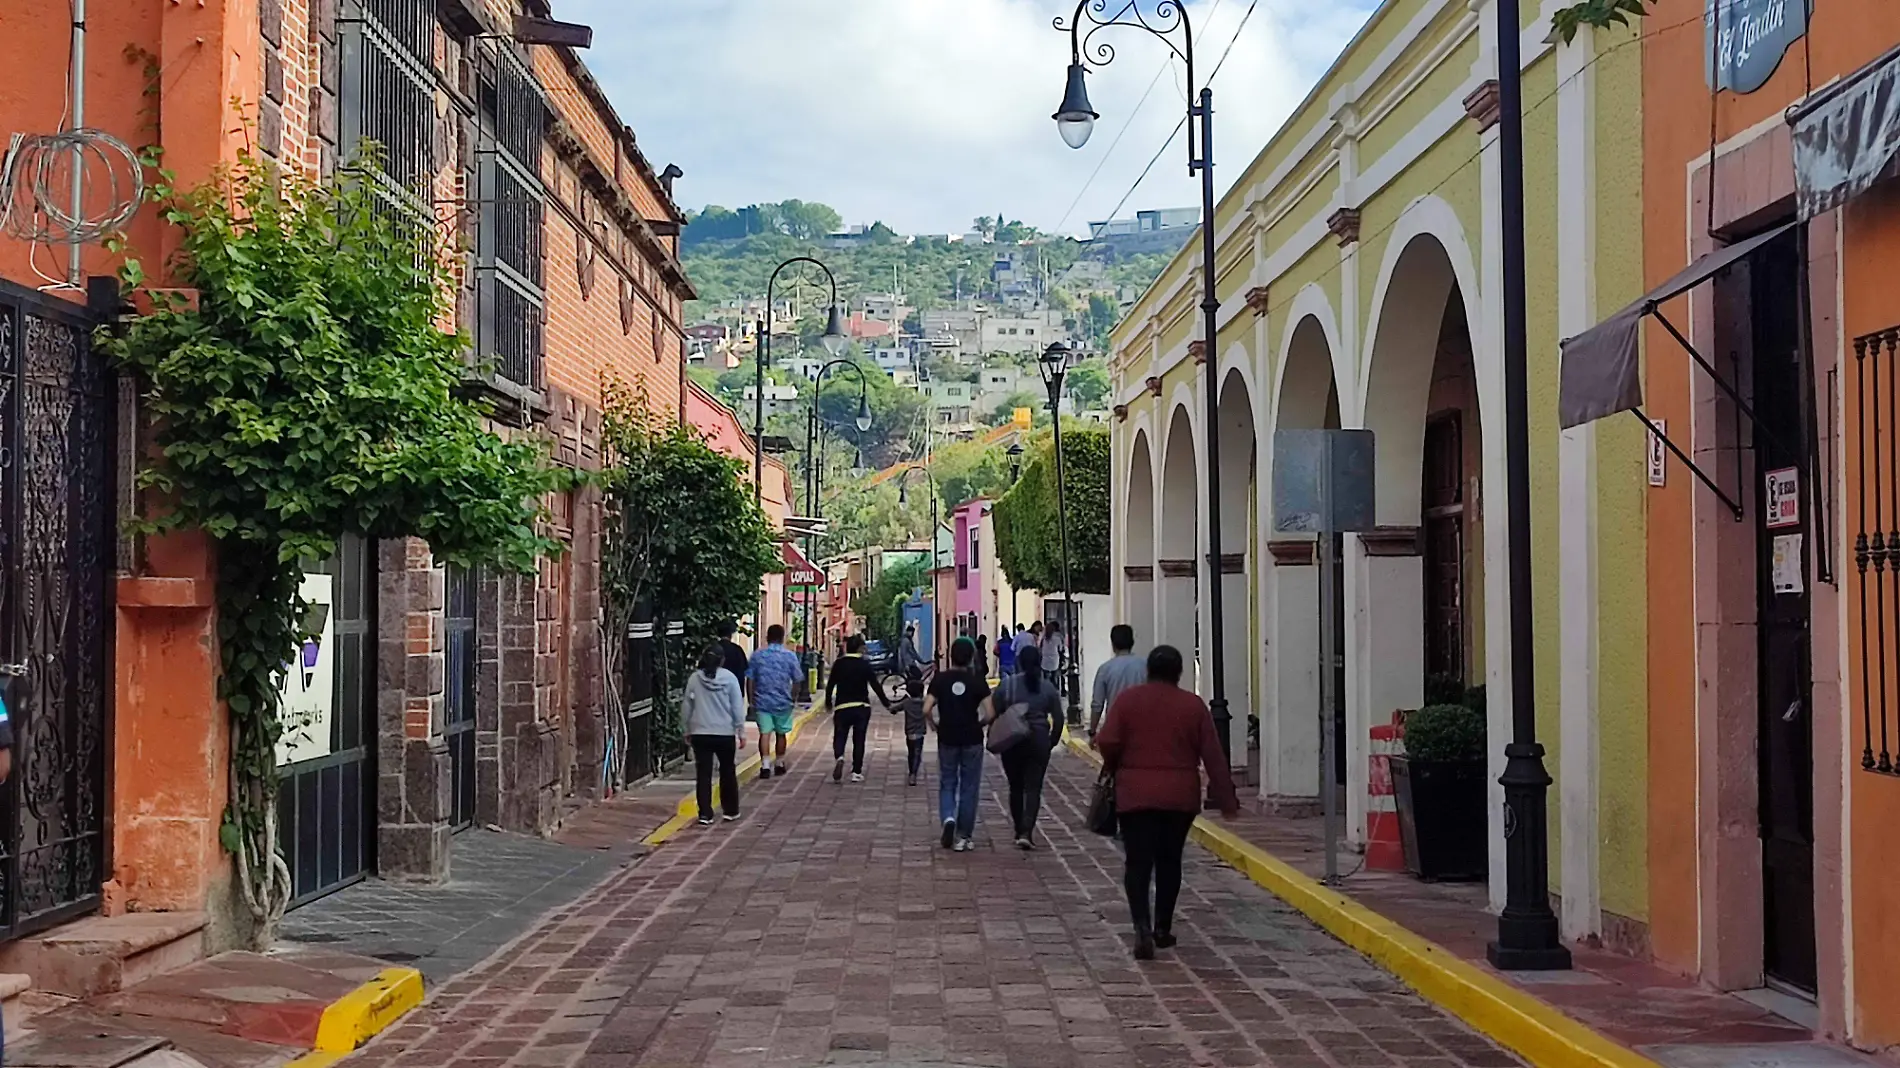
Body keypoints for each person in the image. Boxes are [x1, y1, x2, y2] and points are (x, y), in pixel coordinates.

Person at [1094, 645, 1240, 960]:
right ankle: (1162, 926)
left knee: (1137, 862)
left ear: (1149, 670)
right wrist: (1226, 798)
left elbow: (1107, 740)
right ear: (1179, 672)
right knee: (1170, 860)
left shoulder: (1129, 701)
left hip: (1135, 794)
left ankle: (1141, 927)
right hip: (1179, 797)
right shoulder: (1192, 706)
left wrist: (1119, 763)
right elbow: (1213, 755)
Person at [991, 644, 1064, 850]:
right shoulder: (1047, 688)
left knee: (1015, 786)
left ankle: (1017, 828)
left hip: (1013, 741)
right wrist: (1052, 741)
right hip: (1039, 740)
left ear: (1019, 662)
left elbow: (995, 711)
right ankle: (1027, 830)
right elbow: (1058, 718)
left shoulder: (1007, 686)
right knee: (1033, 788)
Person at [926, 636, 992, 851]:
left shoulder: (940, 680)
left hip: (947, 736)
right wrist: (980, 724)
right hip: (972, 738)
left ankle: (947, 818)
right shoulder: (977, 681)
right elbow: (990, 712)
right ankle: (963, 836)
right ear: (971, 657)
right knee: (969, 786)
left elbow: (926, 708)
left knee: (947, 781)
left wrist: (933, 724)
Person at [681, 644, 748, 825]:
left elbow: (687, 706)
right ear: (722, 661)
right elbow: (737, 706)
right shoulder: (730, 679)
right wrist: (741, 730)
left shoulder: (695, 679)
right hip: (724, 732)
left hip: (700, 731)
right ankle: (731, 810)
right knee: (727, 771)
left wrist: (686, 729)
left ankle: (705, 813)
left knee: (703, 773)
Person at [826, 634, 893, 783]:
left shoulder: (839, 664)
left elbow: (830, 684)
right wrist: (887, 704)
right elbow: (876, 685)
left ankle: (840, 757)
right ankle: (856, 772)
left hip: (842, 706)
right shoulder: (864, 665)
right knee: (859, 739)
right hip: (861, 707)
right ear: (860, 648)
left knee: (840, 735)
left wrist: (828, 702)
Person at [748, 624, 802, 779]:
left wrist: (751, 699)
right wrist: (793, 697)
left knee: (764, 733)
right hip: (782, 701)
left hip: (762, 700)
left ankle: (765, 765)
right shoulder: (790, 656)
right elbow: (797, 679)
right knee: (781, 733)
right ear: (782, 637)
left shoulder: (757, 656)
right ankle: (779, 762)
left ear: (767, 637)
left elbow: (750, 679)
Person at [1089, 624, 1146, 738]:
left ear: (1113, 644)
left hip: (1115, 727)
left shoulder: (1105, 669)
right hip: (1142, 726)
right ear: (1132, 642)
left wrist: (1093, 731)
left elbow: (1097, 704)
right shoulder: (1146, 666)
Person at [895, 674, 928, 786]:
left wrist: (890, 707)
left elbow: (894, 709)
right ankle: (914, 773)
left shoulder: (906, 703)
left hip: (909, 732)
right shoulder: (925, 703)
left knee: (911, 752)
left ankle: (911, 772)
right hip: (920, 732)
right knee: (918, 753)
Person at [716, 620, 751, 688]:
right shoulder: (737, 650)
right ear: (730, 634)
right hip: (733, 690)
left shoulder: (713, 648)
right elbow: (742, 672)